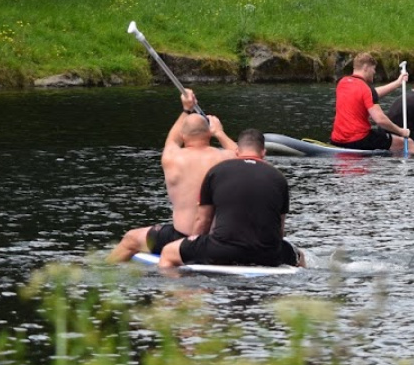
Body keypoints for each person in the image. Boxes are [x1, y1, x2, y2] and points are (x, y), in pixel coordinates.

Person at [107, 89, 237, 262]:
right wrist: (220, 132)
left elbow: (172, 140)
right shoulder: (225, 158)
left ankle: (103, 271)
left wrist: (186, 109)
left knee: (131, 238)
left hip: (181, 237)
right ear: (209, 134)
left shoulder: (172, 158)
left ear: (184, 136)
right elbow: (245, 156)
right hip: (217, 238)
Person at [158, 129, 303, 268]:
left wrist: (195, 247)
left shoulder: (216, 171)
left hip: (222, 251)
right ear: (263, 153)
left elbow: (203, 221)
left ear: (237, 152)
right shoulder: (279, 178)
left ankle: (183, 289)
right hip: (268, 254)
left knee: (167, 253)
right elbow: (279, 229)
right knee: (300, 256)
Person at [330, 51, 411, 151]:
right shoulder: (366, 89)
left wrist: (398, 83)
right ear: (365, 67)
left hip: (337, 140)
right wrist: (401, 131)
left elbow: (370, 94)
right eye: (373, 69)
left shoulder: (342, 83)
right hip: (360, 140)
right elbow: (380, 120)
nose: (374, 72)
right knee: (407, 143)